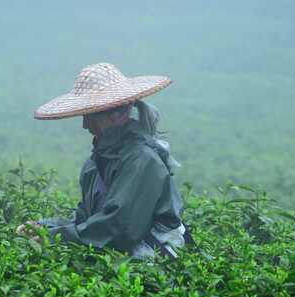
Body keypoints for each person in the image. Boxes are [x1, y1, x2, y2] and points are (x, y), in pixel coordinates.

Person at [17, 63, 192, 258]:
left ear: (119, 115)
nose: (85, 125)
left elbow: (119, 228)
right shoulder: (95, 164)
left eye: (91, 117)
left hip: (154, 262)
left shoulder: (142, 161)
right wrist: (44, 227)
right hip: (120, 258)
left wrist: (54, 236)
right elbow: (87, 219)